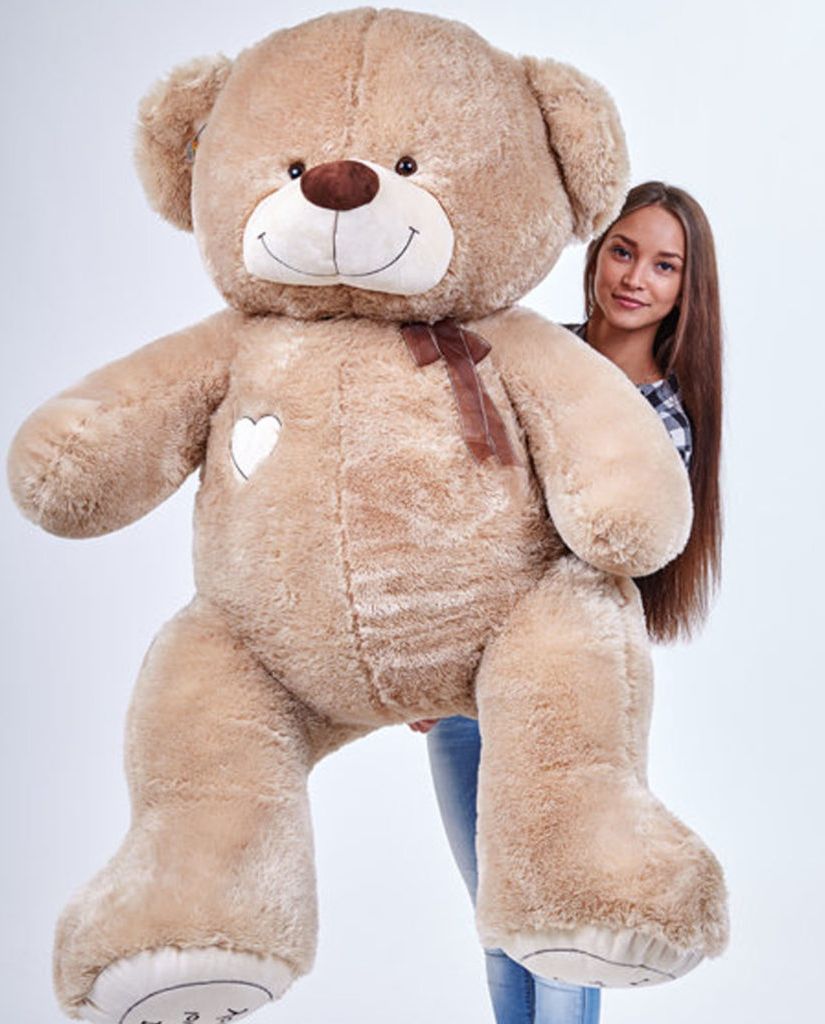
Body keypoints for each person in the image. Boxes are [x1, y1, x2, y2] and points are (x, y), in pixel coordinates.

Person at [410, 181, 723, 1024]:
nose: (635, 278)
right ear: (596, 253)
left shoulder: (662, 416)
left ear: (686, 289)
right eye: (623, 251)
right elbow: (462, 506)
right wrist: (434, 658)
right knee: (498, 923)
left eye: (664, 266)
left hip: (567, 693)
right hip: (469, 691)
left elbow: (589, 547)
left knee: (559, 927)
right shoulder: (528, 353)